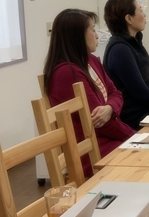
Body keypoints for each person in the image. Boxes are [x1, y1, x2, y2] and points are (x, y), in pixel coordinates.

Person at [43, 9, 135, 177]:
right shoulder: (67, 73)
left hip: (107, 140)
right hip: (90, 150)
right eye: (93, 30)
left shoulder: (91, 60)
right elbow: (101, 124)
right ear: (77, 36)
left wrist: (109, 108)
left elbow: (116, 93)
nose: (98, 36)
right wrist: (134, 137)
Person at [103, 0, 149, 130]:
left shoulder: (132, 43)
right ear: (129, 18)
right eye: (140, 10)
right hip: (139, 117)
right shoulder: (120, 50)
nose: (145, 15)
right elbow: (140, 92)